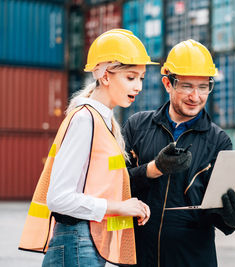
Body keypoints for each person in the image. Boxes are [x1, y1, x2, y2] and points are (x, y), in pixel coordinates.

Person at [19, 29, 157, 266]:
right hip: (77, 242)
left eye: (141, 78)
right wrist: (120, 207)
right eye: (131, 77)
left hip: (87, 242)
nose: (139, 87)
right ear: (105, 76)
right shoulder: (85, 119)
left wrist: (129, 207)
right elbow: (59, 198)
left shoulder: (105, 123)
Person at [122, 39, 235, 267]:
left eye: (203, 87)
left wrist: (233, 218)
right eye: (187, 86)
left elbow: (216, 215)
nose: (195, 97)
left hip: (191, 260)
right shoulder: (136, 126)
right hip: (138, 259)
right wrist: (152, 170)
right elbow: (113, 186)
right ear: (168, 83)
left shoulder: (218, 141)